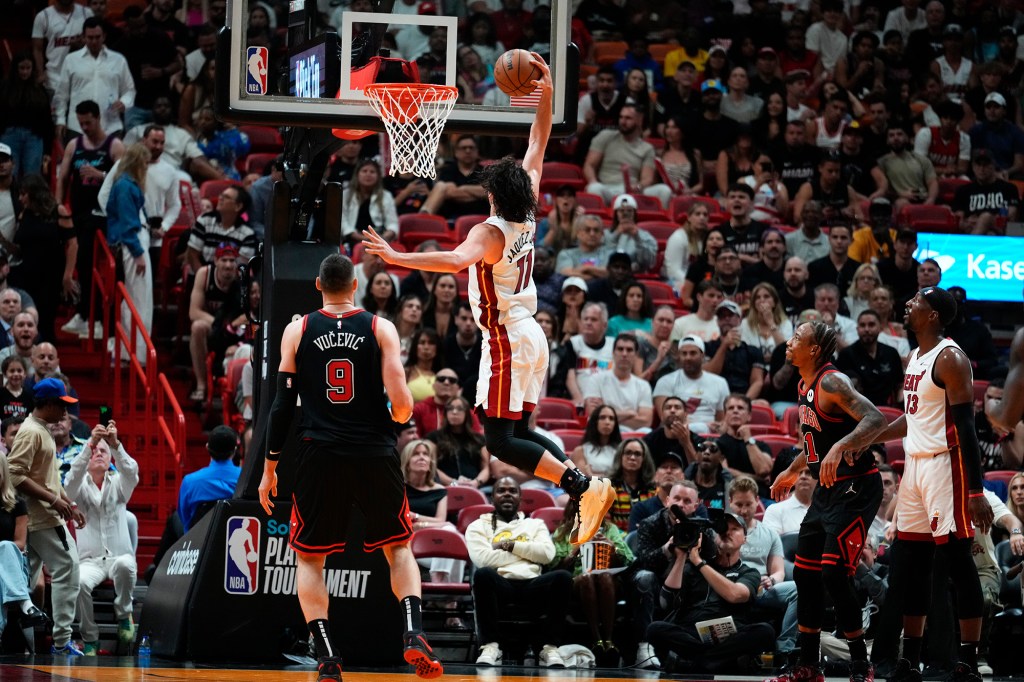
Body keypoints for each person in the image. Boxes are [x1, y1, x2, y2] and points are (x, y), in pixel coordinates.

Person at [364, 56, 614, 545]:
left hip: (505, 337)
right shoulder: (530, 205)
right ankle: (585, 486)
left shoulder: (490, 230)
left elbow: (455, 261)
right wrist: (546, 90)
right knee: (512, 430)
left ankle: (580, 486)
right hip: (530, 333)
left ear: (494, 196)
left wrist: (398, 255)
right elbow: (538, 141)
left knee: (499, 440)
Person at [257, 254, 443, 680]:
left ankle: (326, 657)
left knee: (309, 560)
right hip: (374, 452)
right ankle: (413, 634)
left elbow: (282, 404)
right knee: (397, 548)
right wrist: (399, 416)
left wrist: (270, 466)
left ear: (319, 286)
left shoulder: (298, 328)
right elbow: (401, 400)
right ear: (356, 285)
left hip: (319, 453)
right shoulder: (381, 327)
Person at [870, 287, 993, 682]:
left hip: (947, 466)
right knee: (910, 566)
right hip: (914, 469)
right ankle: (910, 659)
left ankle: (968, 661)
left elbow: (968, 429)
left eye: (917, 302)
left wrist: (975, 490)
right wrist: (867, 438)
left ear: (934, 316)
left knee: (958, 562)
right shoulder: (913, 356)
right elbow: (912, 419)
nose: (908, 304)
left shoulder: (952, 359)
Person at [768, 320, 888, 682]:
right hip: (827, 488)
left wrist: (842, 445)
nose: (789, 343)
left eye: (796, 339)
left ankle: (859, 664)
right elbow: (813, 443)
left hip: (857, 488)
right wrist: (791, 471)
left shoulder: (832, 382)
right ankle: (808, 665)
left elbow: (876, 418)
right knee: (805, 573)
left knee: (834, 572)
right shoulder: (803, 383)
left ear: (815, 350)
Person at [6, 377, 84, 656]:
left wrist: (68, 503)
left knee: (22, 581)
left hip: (40, 515)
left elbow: (47, 477)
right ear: (48, 404)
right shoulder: (32, 432)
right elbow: (15, 475)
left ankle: (12, 636)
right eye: (62, 404)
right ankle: (62, 642)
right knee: (68, 568)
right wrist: (54, 500)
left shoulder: (39, 430)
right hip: (42, 518)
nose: (66, 411)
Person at [647, 510, 777, 674]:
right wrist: (680, 558)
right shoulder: (691, 568)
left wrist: (699, 563)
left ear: (745, 539)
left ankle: (699, 661)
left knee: (765, 631)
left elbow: (736, 595)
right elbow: (665, 602)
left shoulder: (749, 572)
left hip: (730, 637)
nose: (727, 532)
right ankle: (712, 661)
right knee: (654, 629)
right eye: (723, 529)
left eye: (735, 529)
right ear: (715, 537)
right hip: (691, 634)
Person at [467, 476, 573, 668]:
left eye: (512, 490)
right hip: (500, 583)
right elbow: (483, 559)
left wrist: (507, 545)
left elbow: (548, 554)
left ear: (520, 498)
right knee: (482, 574)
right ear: (492, 498)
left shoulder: (536, 524)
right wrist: (528, 553)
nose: (507, 494)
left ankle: (549, 648)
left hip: (532, 584)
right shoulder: (476, 526)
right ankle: (490, 646)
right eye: (501, 490)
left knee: (563, 578)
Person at [64, 421, 138, 655]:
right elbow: (68, 484)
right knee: (80, 581)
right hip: (90, 561)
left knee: (127, 563)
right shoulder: (78, 486)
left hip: (117, 558)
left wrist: (116, 445)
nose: (98, 454)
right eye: (94, 452)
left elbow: (131, 471)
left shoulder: (120, 485)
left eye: (103, 452)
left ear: (110, 460)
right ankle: (90, 638)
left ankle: (125, 613)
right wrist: (90, 444)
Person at [548, 498, 634, 665]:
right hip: (576, 580)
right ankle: (596, 640)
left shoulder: (610, 529)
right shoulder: (562, 533)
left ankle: (608, 640)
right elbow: (553, 567)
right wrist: (578, 548)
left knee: (604, 576)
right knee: (587, 577)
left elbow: (629, 560)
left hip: (608, 577)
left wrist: (611, 546)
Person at [187, 244, 244, 403]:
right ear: (216, 260)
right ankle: (201, 384)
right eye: (224, 260)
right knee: (197, 327)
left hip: (235, 330)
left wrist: (230, 327)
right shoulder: (204, 274)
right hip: (212, 326)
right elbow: (194, 312)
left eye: (232, 260)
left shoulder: (241, 278)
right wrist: (220, 325)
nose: (228, 265)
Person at [583, 334, 653, 430]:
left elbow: (646, 421)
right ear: (613, 353)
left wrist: (606, 413)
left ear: (636, 355)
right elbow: (594, 414)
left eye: (629, 350)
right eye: (620, 349)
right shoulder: (596, 379)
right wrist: (628, 414)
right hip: (603, 432)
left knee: (646, 430)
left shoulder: (643, 386)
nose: (624, 354)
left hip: (632, 437)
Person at [835, 310, 905, 407]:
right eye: (862, 325)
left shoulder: (891, 353)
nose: (867, 329)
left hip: (888, 411)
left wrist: (901, 406)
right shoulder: (846, 355)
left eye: (871, 325)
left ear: (880, 328)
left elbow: (900, 385)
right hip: (858, 412)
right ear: (857, 329)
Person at [178, 425, 241, 532]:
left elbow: (185, 519)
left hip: (200, 542)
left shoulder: (189, 482)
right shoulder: (245, 479)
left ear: (207, 447)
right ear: (235, 450)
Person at [424, 396, 490, 489]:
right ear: (446, 413)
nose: (454, 412)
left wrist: (476, 482)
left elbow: (486, 468)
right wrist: (454, 482)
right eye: (450, 409)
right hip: (444, 487)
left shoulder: (479, 439)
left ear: (466, 413)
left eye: (459, 409)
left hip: (476, 486)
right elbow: (432, 466)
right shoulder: (433, 438)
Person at [608, 438, 656, 532]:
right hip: (616, 542)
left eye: (637, 454)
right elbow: (605, 523)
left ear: (644, 459)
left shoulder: (653, 489)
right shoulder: (607, 488)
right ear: (620, 456)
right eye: (628, 453)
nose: (632, 457)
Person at [762, 468, 816, 536]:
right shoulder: (775, 510)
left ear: (818, 478)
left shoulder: (827, 509)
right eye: (799, 473)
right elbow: (771, 543)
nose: (803, 476)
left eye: (809, 473)